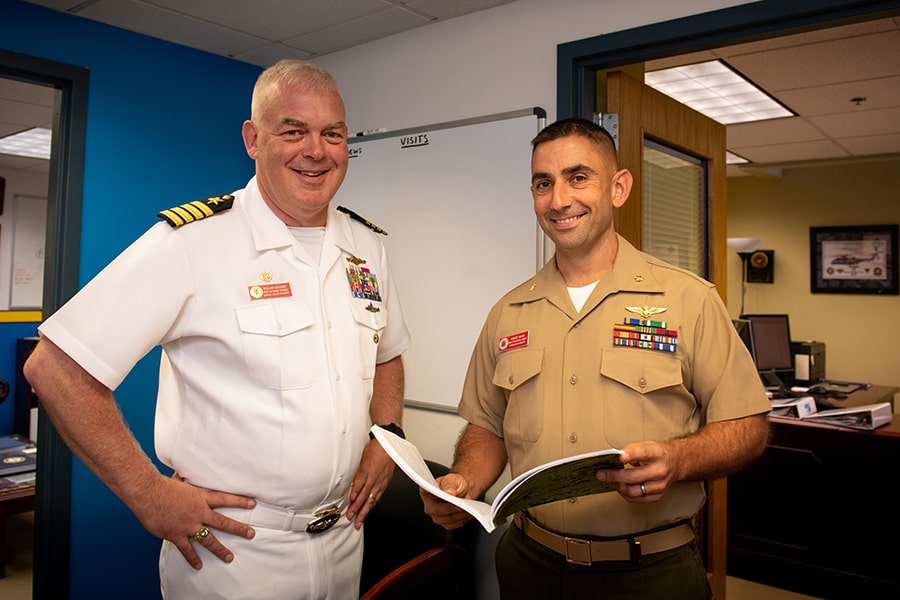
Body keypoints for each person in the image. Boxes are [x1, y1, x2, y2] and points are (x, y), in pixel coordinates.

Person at [23, 59, 410, 599]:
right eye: (293, 131)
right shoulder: (193, 242)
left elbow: (387, 354)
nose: (315, 151)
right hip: (235, 551)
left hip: (345, 535)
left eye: (332, 134)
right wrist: (148, 495)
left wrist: (386, 434)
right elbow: (56, 368)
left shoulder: (367, 247)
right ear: (253, 139)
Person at [421, 118, 770, 599]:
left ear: (619, 187)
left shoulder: (688, 299)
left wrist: (678, 458)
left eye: (578, 177)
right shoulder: (508, 312)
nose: (559, 200)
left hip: (650, 573)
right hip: (529, 564)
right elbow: (488, 426)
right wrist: (464, 482)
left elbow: (748, 426)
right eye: (544, 183)